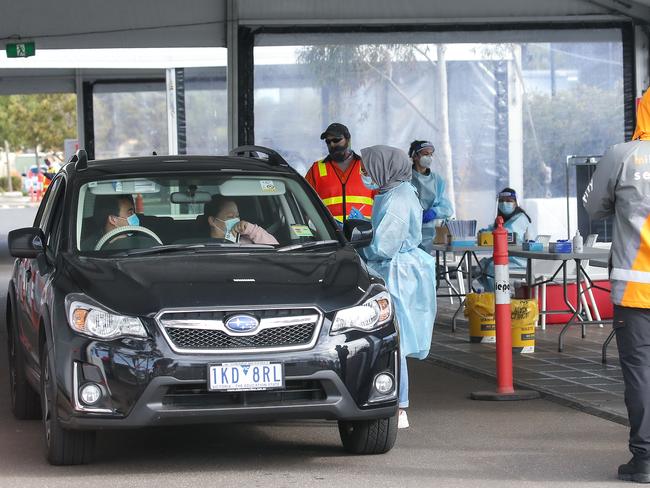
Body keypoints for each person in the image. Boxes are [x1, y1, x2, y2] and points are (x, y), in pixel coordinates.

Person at [583, 88, 650, 483]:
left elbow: (594, 207)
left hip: (636, 291)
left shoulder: (622, 156)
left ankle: (645, 460)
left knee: (641, 375)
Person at [359, 145, 437, 430]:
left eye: (367, 168)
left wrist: (360, 245)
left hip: (397, 272)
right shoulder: (391, 193)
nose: (364, 174)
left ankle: (399, 406)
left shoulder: (398, 198)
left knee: (393, 339)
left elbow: (384, 244)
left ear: (384, 166)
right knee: (392, 338)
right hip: (395, 269)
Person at [305, 123, 376, 224]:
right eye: (328, 142)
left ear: (348, 140)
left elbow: (382, 202)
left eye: (336, 140)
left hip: (363, 234)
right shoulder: (316, 169)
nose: (332, 145)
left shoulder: (367, 166)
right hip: (332, 235)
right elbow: (305, 204)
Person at [478, 188, 531, 291]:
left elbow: (505, 233)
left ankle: (501, 298)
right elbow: (492, 230)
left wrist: (487, 235)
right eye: (501, 201)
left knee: (493, 269)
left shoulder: (521, 218)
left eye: (508, 201)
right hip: (506, 258)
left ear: (515, 203)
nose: (504, 203)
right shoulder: (504, 219)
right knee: (481, 266)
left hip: (520, 260)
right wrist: (483, 232)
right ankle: (492, 297)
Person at [408, 140, 454, 252]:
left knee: (424, 262)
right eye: (425, 154)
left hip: (428, 232)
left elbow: (447, 208)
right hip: (407, 230)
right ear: (414, 156)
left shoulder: (437, 180)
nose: (429, 157)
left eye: (431, 154)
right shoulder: (406, 177)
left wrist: (434, 212)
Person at [204, 196, 278, 245]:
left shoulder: (247, 242)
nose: (236, 220)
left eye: (237, 216)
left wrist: (251, 229)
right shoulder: (200, 247)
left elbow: (275, 249)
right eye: (230, 216)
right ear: (212, 220)